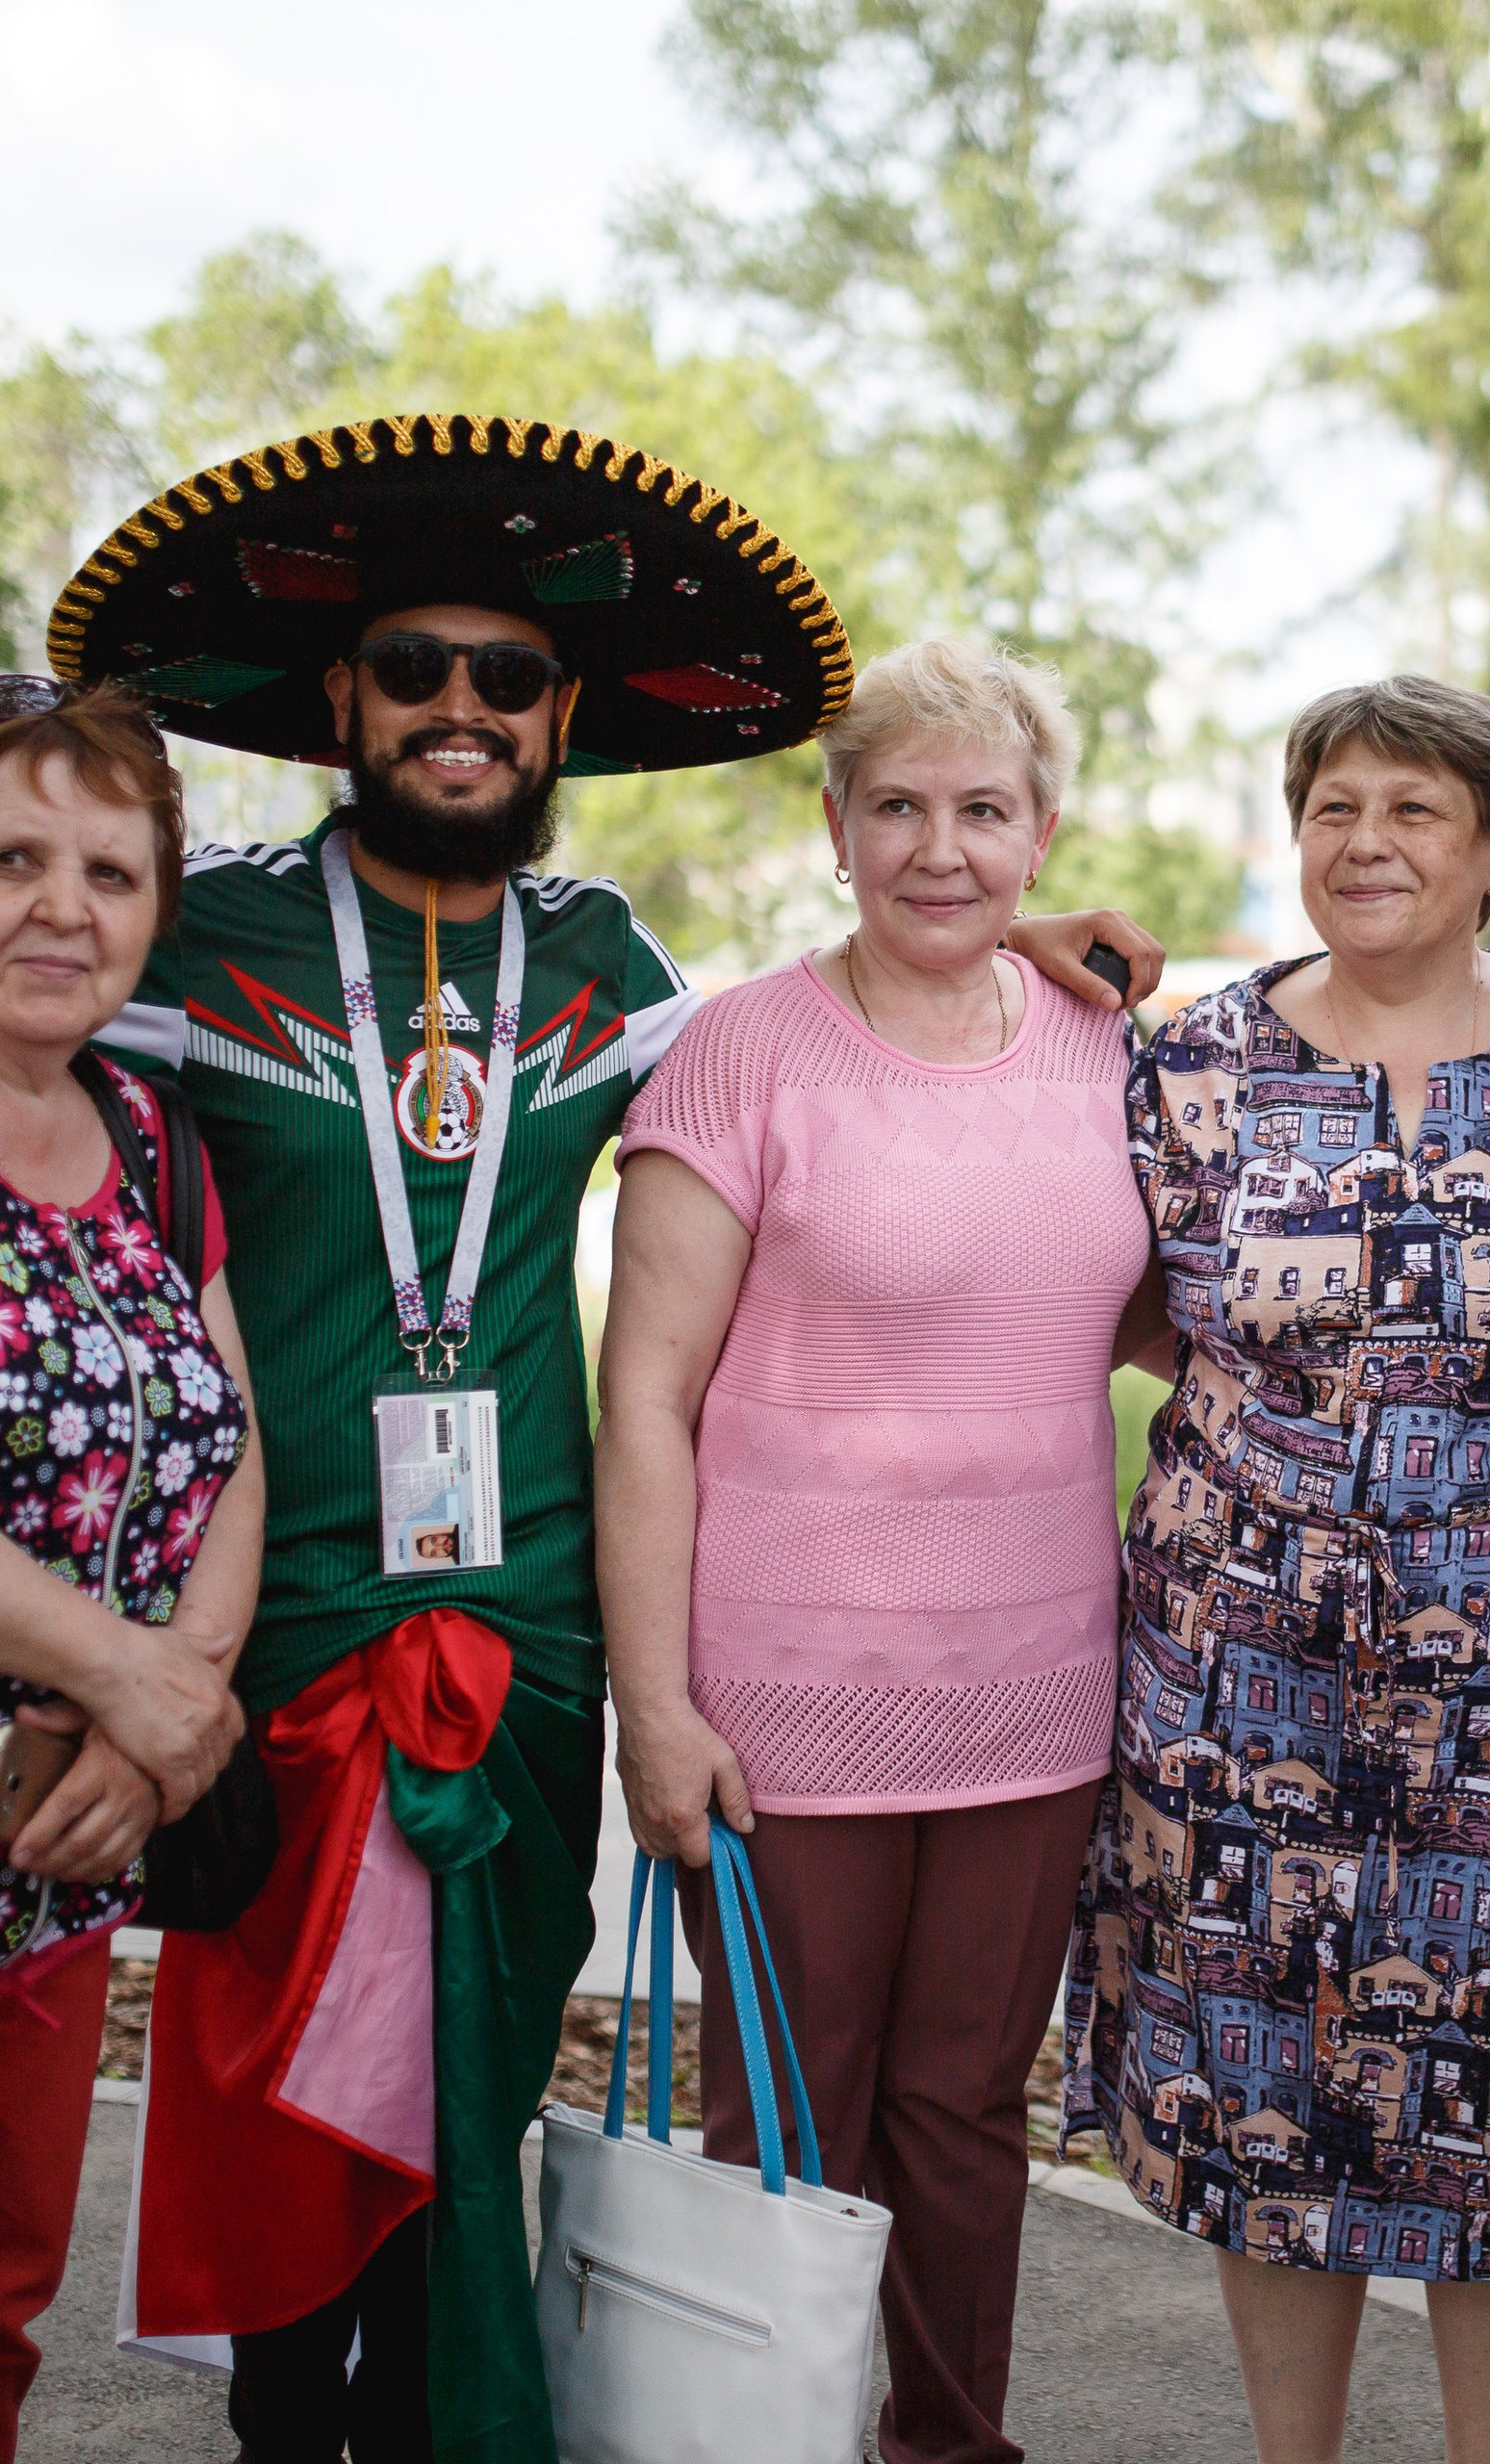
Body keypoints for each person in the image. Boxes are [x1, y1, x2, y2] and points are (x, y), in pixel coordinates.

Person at [47, 413, 857, 2464]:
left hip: (528, 1629)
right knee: (281, 2078)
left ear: (562, 710)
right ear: (342, 695)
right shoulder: (191, 933)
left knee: (472, 2073)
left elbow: (826, 1045)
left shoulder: (606, 961)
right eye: (415, 666)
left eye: (506, 676)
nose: (460, 707)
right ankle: (281, 2437)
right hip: (265, 1619)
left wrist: (1022, 944)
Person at [1062, 673, 1490, 2464]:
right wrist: (1308, 1443)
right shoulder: (1191, 1064)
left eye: (1414, 810)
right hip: (1240, 1664)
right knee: (1270, 2083)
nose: (1364, 843)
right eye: (1332, 808)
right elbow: (1122, 1317)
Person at [596, 637, 1158, 2464]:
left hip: (1037, 1697)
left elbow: (1158, 1317)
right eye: (898, 807)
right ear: (832, 826)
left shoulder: (1102, 1042)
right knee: (789, 2122)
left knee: (964, 2111)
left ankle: (950, 2445)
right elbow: (649, 1401)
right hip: (783, 1709)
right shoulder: (743, 1051)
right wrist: (655, 1707)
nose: (941, 848)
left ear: (1042, 827)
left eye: (982, 810)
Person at [0, 680, 259, 2464]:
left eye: (107, 870)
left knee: (5, 2290)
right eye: (10, 857)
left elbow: (229, 1436)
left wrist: (173, 1709)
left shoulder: (148, 1139)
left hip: (60, 1845)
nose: (60, 908)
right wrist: (133, 1674)